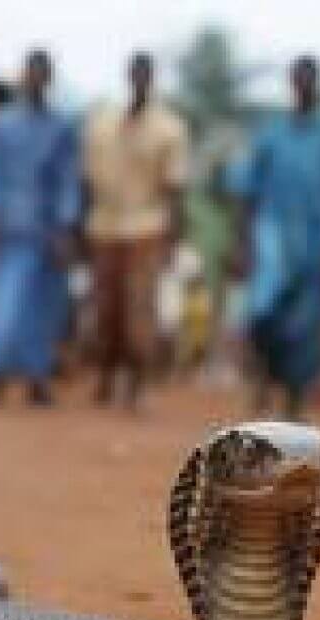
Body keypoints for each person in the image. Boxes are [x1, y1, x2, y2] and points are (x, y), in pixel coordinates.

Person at [229, 55, 320, 419]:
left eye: (311, 79)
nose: (305, 85)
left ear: (318, 85)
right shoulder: (270, 136)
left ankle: (295, 404)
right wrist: (243, 244)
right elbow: (247, 192)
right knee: (262, 318)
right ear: (291, 84)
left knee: (307, 328)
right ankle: (260, 389)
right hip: (272, 244)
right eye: (299, 79)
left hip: (316, 246)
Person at [84, 52, 188, 410]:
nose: (139, 79)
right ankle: (106, 378)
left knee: (140, 311)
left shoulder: (169, 129)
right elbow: (87, 182)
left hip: (147, 228)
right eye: (135, 72)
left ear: (152, 77)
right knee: (106, 309)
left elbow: (175, 190)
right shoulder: (101, 124)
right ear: (128, 75)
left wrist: (173, 238)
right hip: (104, 228)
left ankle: (137, 384)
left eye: (145, 73)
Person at [0, 50, 80, 406]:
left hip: (46, 232)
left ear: (48, 79)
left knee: (43, 309)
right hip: (7, 228)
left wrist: (65, 227)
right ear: (23, 76)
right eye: (31, 73)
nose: (35, 79)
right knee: (5, 303)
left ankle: (38, 380)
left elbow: (68, 181)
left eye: (42, 74)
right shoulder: (0, 122)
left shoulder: (62, 127)